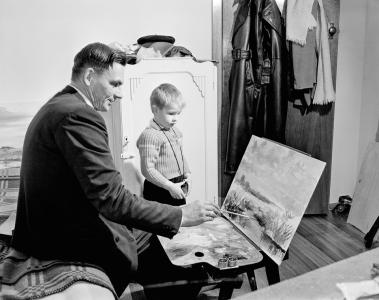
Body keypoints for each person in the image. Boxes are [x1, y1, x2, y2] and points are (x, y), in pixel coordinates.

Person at [1, 42, 220, 300]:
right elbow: (112, 199)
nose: (119, 94)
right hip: (61, 237)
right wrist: (180, 215)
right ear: (90, 76)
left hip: (52, 224)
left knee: (153, 237)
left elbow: (101, 188)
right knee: (175, 265)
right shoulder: (77, 115)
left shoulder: (60, 105)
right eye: (114, 84)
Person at [137, 83, 190, 206]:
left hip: (177, 183)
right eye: (171, 113)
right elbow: (147, 170)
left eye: (178, 113)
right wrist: (169, 186)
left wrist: (187, 174)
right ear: (155, 110)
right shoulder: (150, 135)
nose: (175, 118)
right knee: (162, 222)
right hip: (158, 188)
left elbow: (180, 154)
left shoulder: (175, 131)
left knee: (180, 219)